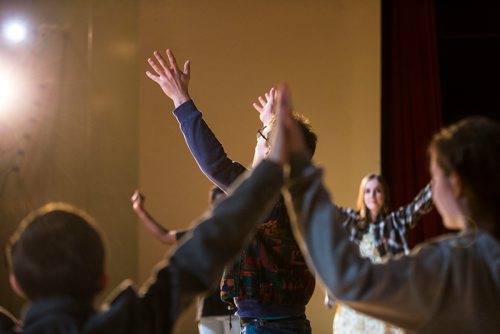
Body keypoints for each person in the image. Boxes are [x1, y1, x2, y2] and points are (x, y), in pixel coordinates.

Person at [273, 84, 500, 333]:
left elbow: (348, 279)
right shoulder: (352, 220)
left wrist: (296, 163)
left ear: (455, 183)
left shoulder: (451, 265)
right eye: (367, 190)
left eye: (436, 179)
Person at [0, 139, 289, 334]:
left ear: (15, 282)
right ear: (103, 279)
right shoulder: (129, 324)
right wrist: (270, 169)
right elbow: (197, 255)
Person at [146, 49, 317, 333]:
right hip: (286, 323)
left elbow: (217, 165)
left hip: (267, 328)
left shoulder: (269, 198)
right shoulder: (293, 196)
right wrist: (270, 124)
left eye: (262, 136)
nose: (257, 138)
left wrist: (180, 100)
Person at [327, 172, 433, 333]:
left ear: (384, 195)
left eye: (377, 190)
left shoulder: (395, 222)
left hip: (386, 300)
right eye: (367, 191)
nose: (372, 196)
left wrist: (440, 178)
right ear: (362, 195)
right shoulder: (352, 222)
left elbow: (419, 205)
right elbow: (325, 209)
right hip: (357, 302)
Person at [131, 187, 240, 334]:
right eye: (218, 204)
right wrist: (140, 211)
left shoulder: (242, 235)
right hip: (209, 313)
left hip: (235, 312)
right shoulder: (202, 236)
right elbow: (165, 236)